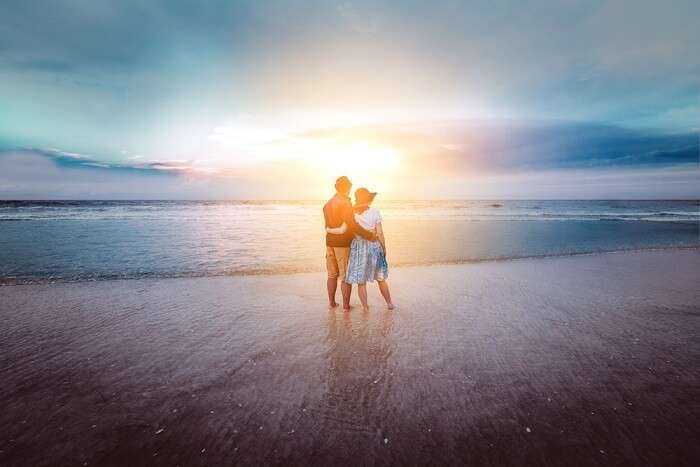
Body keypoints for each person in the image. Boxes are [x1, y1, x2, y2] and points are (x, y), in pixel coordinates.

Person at [326, 187, 395, 311]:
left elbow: (343, 229)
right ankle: (389, 303)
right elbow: (380, 233)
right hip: (374, 245)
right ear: (368, 199)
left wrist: (329, 230)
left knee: (361, 281)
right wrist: (384, 248)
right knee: (381, 278)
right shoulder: (375, 212)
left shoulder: (351, 213)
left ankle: (365, 307)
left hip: (358, 247)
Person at [323, 176, 377, 310]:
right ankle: (346, 306)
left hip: (329, 242)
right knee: (345, 276)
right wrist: (369, 235)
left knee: (331, 274)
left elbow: (327, 226)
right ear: (348, 188)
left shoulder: (327, 204)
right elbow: (352, 225)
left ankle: (332, 303)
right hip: (342, 244)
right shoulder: (346, 203)